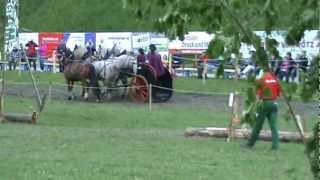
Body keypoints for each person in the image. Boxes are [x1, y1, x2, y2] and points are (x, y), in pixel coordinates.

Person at [246, 68, 281, 150]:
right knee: (274, 126)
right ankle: (275, 146)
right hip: (274, 103)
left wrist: (254, 107)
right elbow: (279, 93)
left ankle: (250, 144)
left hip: (264, 103)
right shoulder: (275, 79)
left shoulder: (261, 80)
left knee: (257, 125)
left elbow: (258, 95)